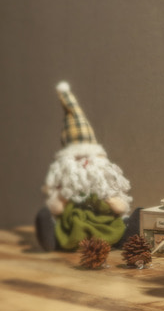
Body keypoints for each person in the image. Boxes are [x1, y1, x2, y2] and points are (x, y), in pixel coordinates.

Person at [35, 82, 140, 251]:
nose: (84, 162)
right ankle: (51, 238)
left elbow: (120, 206)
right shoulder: (65, 187)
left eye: (88, 157)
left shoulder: (105, 186)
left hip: (104, 222)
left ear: (99, 157)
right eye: (78, 158)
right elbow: (57, 208)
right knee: (62, 228)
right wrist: (63, 196)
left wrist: (109, 199)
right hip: (74, 225)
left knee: (120, 224)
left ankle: (127, 235)